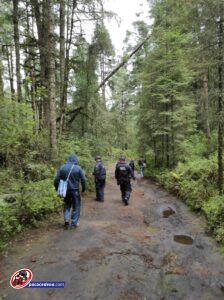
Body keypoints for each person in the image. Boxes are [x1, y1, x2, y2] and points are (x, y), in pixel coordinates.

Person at [54, 154, 86, 229]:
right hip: (75, 191)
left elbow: (56, 180)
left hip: (65, 191)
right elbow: (83, 180)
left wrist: (57, 188)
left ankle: (66, 220)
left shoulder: (62, 167)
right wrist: (83, 189)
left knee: (67, 205)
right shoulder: (78, 168)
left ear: (68, 159)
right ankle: (74, 223)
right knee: (76, 206)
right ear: (75, 160)